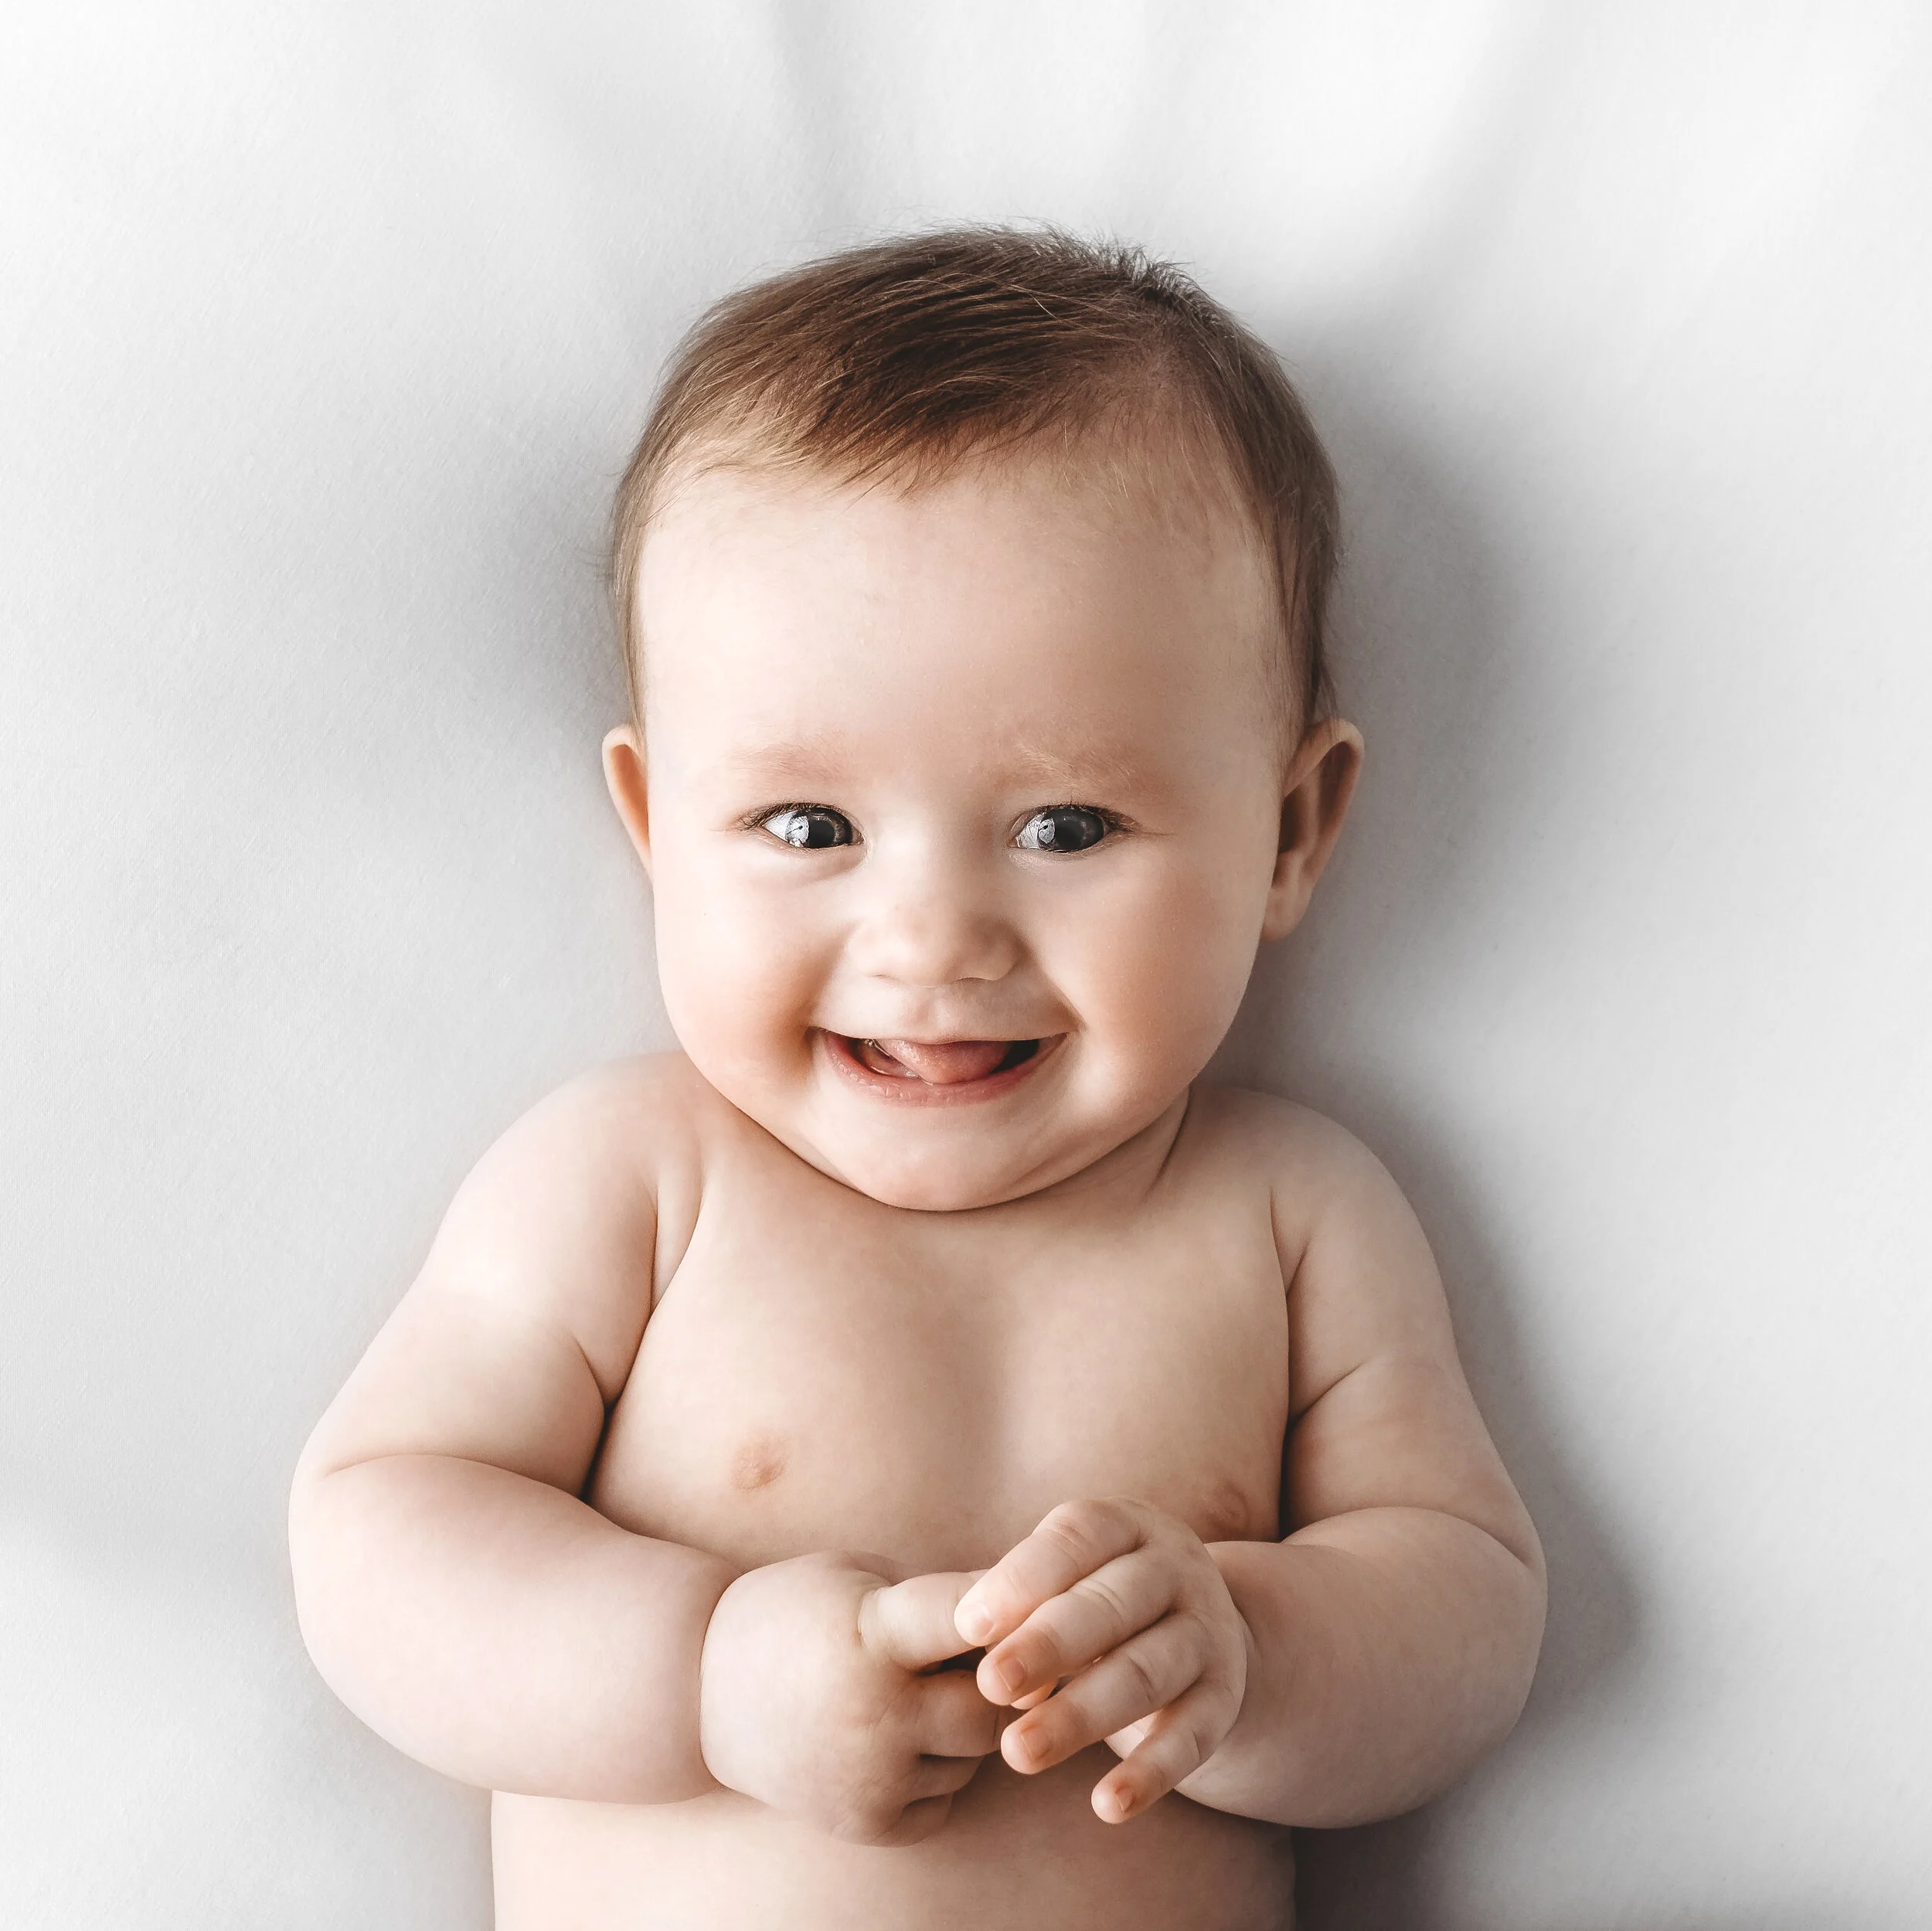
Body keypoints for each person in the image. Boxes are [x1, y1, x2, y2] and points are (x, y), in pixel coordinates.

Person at [287, 226, 1546, 1931]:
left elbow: (1467, 1611)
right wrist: (705, 1675)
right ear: (658, 828)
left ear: (1288, 828)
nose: (933, 938)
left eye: (1066, 826)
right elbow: (377, 1537)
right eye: (808, 825)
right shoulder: (632, 1182)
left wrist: (1252, 1653)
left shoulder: (1290, 1215)